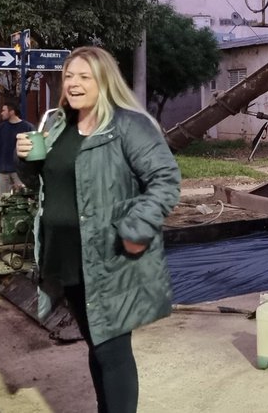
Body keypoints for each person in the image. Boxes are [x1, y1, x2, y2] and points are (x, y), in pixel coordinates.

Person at [17, 46, 180, 413]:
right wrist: (24, 161)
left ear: (104, 81)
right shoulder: (58, 124)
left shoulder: (127, 126)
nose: (73, 84)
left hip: (110, 257)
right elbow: (42, 183)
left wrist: (136, 230)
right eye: (69, 76)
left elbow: (165, 180)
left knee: (113, 350)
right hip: (67, 256)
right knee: (96, 344)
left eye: (84, 77)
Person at [0, 100, 34, 194]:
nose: (1, 113)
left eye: (4, 110)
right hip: (2, 171)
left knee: (24, 198)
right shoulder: (1, 128)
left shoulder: (27, 128)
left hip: (20, 172)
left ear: (11, 112)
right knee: (2, 200)